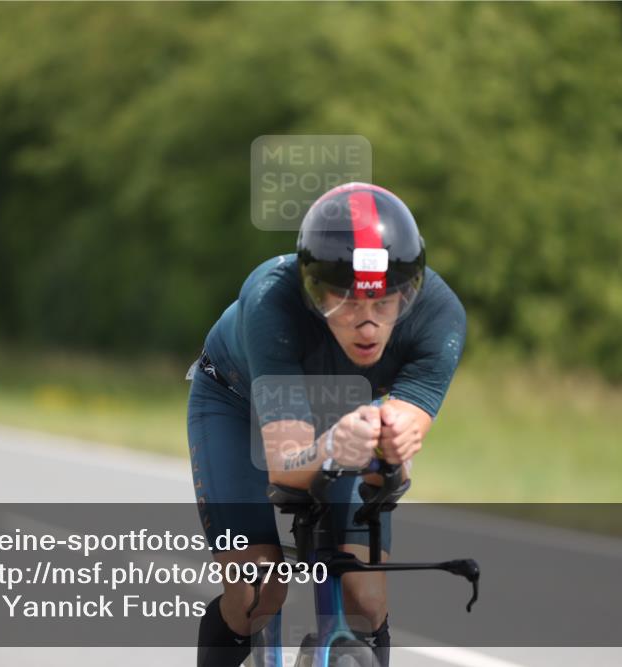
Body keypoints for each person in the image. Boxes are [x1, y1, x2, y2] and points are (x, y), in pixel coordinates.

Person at [187, 182, 466, 666]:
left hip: (344, 414)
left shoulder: (440, 318)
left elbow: (390, 473)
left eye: (384, 303)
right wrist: (336, 444)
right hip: (236, 402)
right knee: (257, 592)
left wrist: (390, 452)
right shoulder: (271, 300)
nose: (367, 324)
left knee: (367, 599)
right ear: (313, 292)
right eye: (346, 303)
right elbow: (288, 469)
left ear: (410, 292)